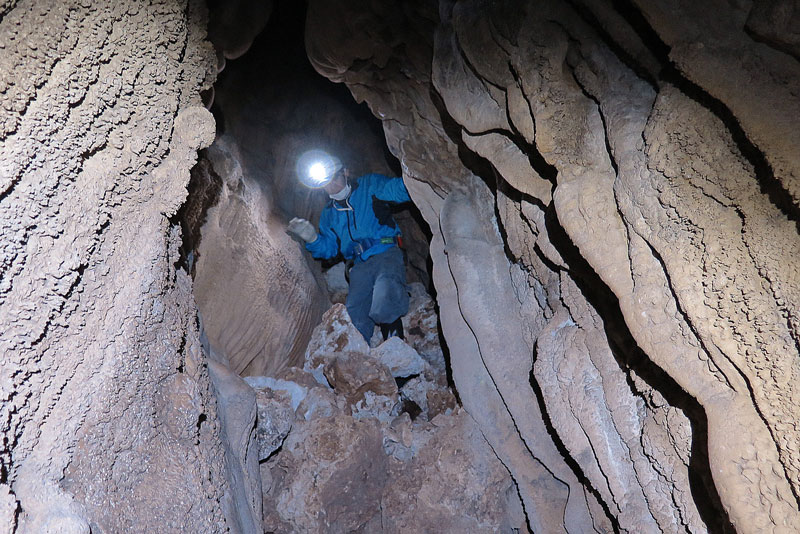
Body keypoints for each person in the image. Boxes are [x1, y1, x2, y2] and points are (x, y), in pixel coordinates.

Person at [287, 152, 410, 343]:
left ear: (345, 172)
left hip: (385, 252)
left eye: (333, 178)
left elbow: (396, 190)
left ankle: (397, 348)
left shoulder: (369, 186)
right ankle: (361, 362)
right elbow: (329, 249)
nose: (330, 186)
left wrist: (411, 175)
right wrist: (311, 238)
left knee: (385, 298)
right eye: (324, 183)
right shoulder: (329, 213)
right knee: (355, 315)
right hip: (358, 264)